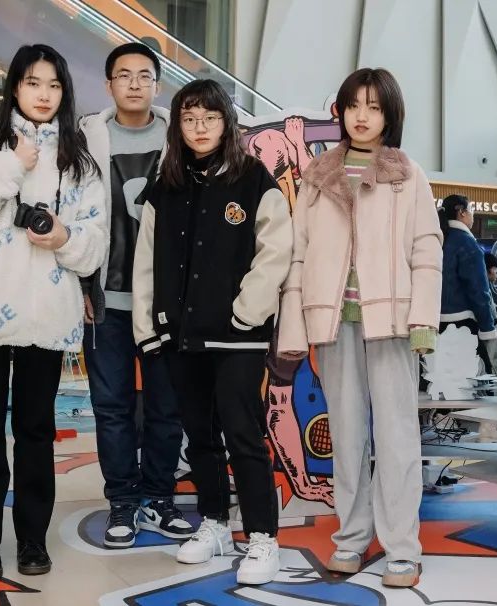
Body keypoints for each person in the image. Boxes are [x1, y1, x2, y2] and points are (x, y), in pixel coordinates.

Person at [0, 44, 107, 580]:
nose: (44, 94)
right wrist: (11, 165)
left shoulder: (78, 161)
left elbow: (95, 246)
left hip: (45, 319)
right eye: (33, 83)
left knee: (36, 433)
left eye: (54, 85)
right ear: (14, 87)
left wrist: (63, 238)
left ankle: (33, 540)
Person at [278, 67, 443, 588]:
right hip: (333, 324)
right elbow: (298, 254)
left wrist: (422, 320)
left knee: (397, 437)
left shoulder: (407, 174)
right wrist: (293, 327)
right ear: (342, 112)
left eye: (373, 106)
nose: (362, 116)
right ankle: (350, 538)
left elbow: (426, 249)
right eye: (353, 106)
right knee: (346, 438)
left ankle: (402, 548)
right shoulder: (317, 175)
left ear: (389, 113)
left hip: (391, 323)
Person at [131, 79, 292, 585]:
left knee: (243, 435)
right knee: (199, 437)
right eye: (189, 119)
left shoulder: (253, 179)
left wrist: (247, 313)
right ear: (178, 126)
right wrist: (148, 326)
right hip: (182, 337)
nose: (199, 128)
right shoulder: (166, 185)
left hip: (238, 337)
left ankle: (263, 537)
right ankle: (215, 523)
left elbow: (276, 251)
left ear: (227, 122)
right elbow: (146, 260)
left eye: (210, 117)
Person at [79, 42, 187, 548]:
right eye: (124, 75)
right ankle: (122, 500)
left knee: (168, 407)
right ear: (109, 85)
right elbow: (75, 216)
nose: (135, 84)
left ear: (157, 84)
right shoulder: (86, 139)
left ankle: (160, 497)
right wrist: (83, 284)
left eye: (145, 75)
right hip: (104, 300)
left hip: (165, 302)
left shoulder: (181, 137)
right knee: (111, 407)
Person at [438, 194, 497, 376]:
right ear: (462, 212)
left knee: (443, 379)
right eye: (471, 211)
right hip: (464, 326)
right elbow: (479, 291)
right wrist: (488, 328)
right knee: (473, 381)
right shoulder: (467, 243)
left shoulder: (439, 240)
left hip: (437, 324)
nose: (473, 216)